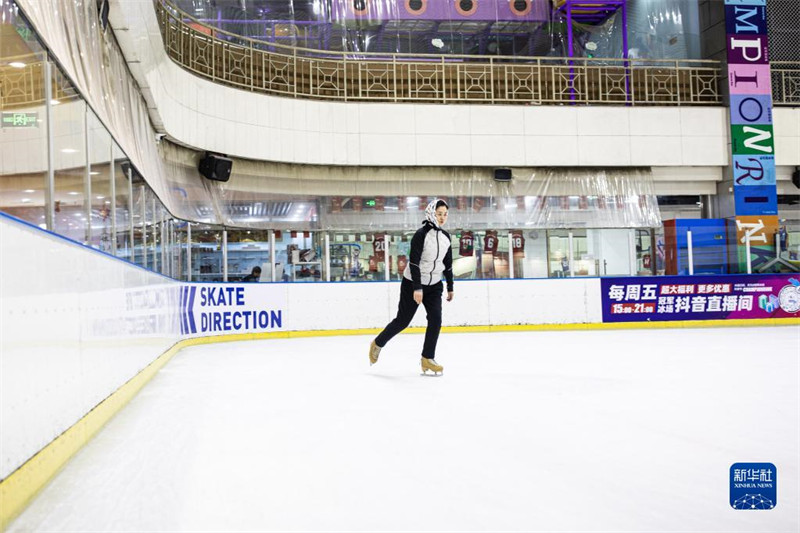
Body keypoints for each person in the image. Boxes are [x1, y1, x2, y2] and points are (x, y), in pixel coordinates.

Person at [368, 198, 454, 375]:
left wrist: (450, 286)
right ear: (431, 213)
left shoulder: (446, 237)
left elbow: (448, 264)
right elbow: (414, 263)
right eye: (439, 214)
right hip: (412, 283)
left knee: (436, 320)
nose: (442, 217)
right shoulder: (421, 235)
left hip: (435, 285)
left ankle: (427, 358)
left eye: (445, 214)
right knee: (403, 321)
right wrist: (417, 288)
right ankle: (378, 343)